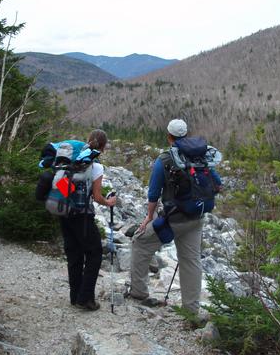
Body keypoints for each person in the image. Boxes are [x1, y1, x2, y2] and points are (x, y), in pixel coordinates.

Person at [129, 119, 222, 313]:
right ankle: (191, 309)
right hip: (196, 218)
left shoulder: (164, 159)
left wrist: (149, 217)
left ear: (169, 136)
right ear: (186, 135)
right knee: (191, 260)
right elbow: (218, 184)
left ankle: (138, 292)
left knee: (140, 242)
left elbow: (153, 193)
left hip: (174, 219)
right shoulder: (200, 157)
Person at [59, 129, 116, 311]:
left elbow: (60, 184)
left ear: (88, 140)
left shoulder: (69, 159)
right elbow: (98, 197)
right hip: (83, 215)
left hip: (63, 211)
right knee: (94, 253)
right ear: (103, 147)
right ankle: (86, 298)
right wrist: (109, 202)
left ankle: (75, 296)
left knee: (74, 254)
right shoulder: (96, 165)